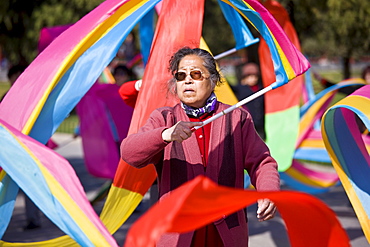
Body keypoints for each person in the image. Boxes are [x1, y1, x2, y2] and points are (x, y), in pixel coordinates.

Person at [120, 47, 280, 247]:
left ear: (212, 80)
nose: (187, 80)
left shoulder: (237, 117)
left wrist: (268, 191)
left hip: (226, 233)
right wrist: (166, 135)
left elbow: (261, 162)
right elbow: (129, 153)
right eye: (181, 75)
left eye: (196, 74)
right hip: (176, 233)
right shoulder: (164, 117)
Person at [232, 62, 265, 140]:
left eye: (255, 76)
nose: (253, 79)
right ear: (245, 77)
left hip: (260, 123)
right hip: (247, 123)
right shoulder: (240, 88)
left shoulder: (261, 88)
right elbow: (228, 88)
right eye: (250, 76)